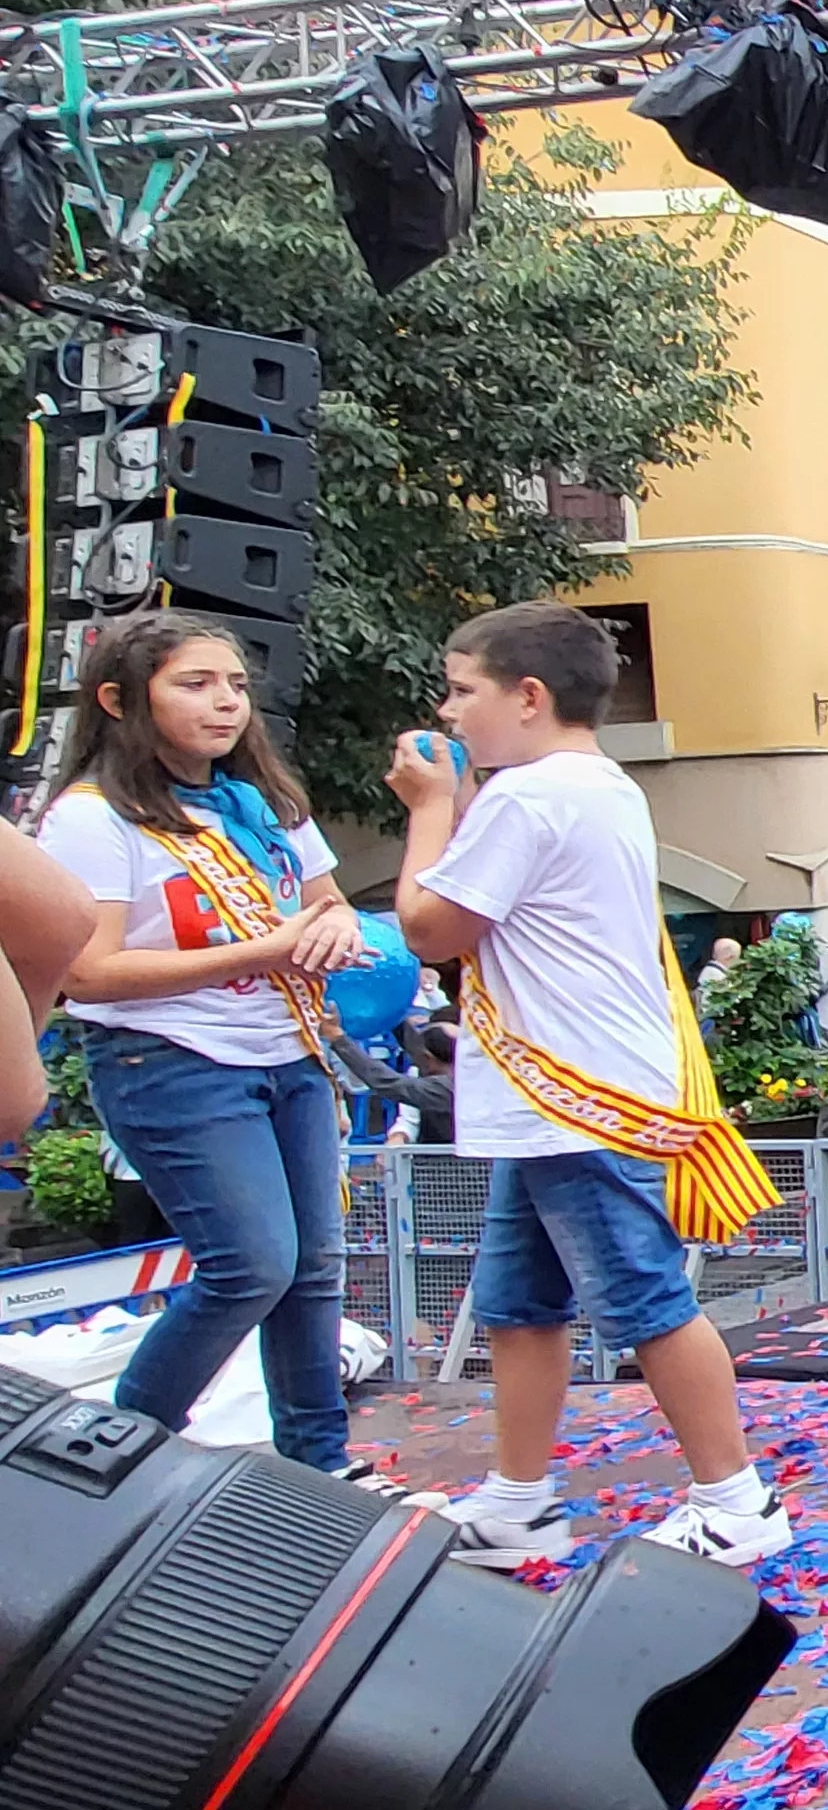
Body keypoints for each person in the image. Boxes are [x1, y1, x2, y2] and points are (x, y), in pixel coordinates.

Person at [389, 601, 788, 1567]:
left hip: (575, 1100)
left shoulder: (531, 797)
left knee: (647, 1300)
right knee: (518, 1305)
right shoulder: (596, 788)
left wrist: (430, 811)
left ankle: (735, 1501)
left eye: (463, 690)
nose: (448, 714)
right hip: (556, 1100)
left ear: (528, 697)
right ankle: (519, 1495)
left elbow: (429, 928)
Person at [38, 613, 375, 1485]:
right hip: (172, 1064)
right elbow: (88, 972)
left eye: (234, 684)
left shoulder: (260, 800)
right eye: (195, 684)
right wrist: (269, 950)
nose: (225, 703)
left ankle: (323, 1469)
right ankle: (109, 1464)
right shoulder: (90, 818)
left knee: (311, 1272)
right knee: (252, 1266)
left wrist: (333, 932)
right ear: (119, 700)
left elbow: (327, 901)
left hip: (289, 1057)